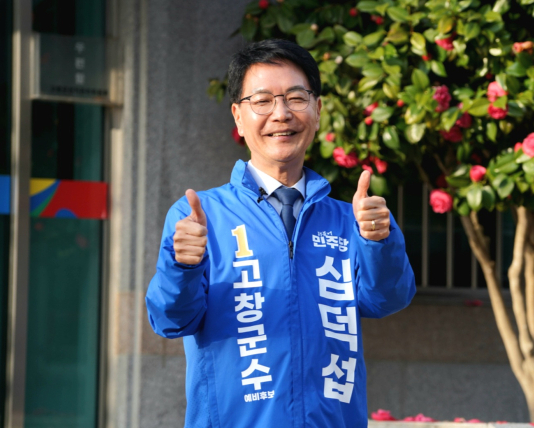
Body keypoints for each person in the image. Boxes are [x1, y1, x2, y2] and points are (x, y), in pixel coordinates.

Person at [146, 39, 416, 428]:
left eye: (296, 98)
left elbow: (388, 300)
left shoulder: (350, 221)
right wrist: (182, 266)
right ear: (238, 117)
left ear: (317, 110)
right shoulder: (202, 218)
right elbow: (171, 319)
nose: (281, 113)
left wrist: (379, 243)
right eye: (263, 101)